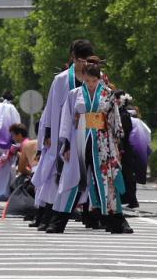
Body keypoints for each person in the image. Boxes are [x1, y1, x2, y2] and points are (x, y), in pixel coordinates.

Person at [46, 56, 133, 234]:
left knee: (106, 179)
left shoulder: (108, 94)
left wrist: (116, 142)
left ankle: (116, 220)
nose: (91, 84)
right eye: (87, 80)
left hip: (103, 140)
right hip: (79, 137)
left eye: (94, 80)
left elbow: (114, 119)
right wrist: (67, 145)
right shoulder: (74, 94)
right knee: (72, 177)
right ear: (83, 78)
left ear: (99, 78)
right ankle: (57, 221)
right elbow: (67, 120)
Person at [29, 39, 95, 230]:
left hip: (89, 133)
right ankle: (46, 216)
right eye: (79, 60)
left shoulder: (96, 78)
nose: (83, 64)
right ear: (72, 58)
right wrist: (48, 133)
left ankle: (93, 216)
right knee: (56, 173)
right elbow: (51, 108)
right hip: (63, 133)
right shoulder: (61, 80)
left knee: (90, 173)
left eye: (86, 60)